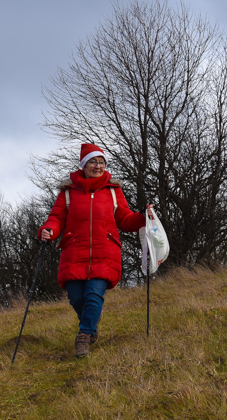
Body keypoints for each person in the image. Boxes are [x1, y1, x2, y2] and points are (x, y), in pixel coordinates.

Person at [38, 144, 149, 358]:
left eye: (101, 162)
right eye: (93, 162)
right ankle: (91, 326)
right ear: (83, 165)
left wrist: (143, 215)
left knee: (94, 294)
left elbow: (125, 220)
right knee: (76, 297)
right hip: (74, 251)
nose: (98, 166)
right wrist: (48, 231)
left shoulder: (113, 191)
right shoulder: (68, 193)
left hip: (105, 251)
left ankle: (84, 336)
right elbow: (57, 218)